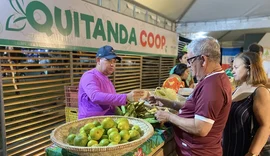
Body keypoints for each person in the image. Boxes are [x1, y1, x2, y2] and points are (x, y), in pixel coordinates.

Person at [150, 37, 232, 156]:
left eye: (190, 61)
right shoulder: (213, 79)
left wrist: (169, 116)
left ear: (203, 59)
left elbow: (200, 128)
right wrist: (166, 102)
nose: (188, 66)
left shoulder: (212, 86)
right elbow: (196, 108)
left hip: (198, 152)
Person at [223, 52, 270, 156]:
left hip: (246, 150)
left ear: (249, 68)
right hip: (228, 147)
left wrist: (252, 153)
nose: (232, 71)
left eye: (236, 67)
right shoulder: (236, 90)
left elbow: (265, 126)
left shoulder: (260, 91)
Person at [78, 45, 140, 119]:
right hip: (90, 122)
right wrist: (126, 97)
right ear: (98, 60)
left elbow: (110, 100)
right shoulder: (89, 76)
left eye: (114, 61)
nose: (112, 64)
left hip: (107, 120)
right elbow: (95, 96)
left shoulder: (107, 79)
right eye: (108, 60)